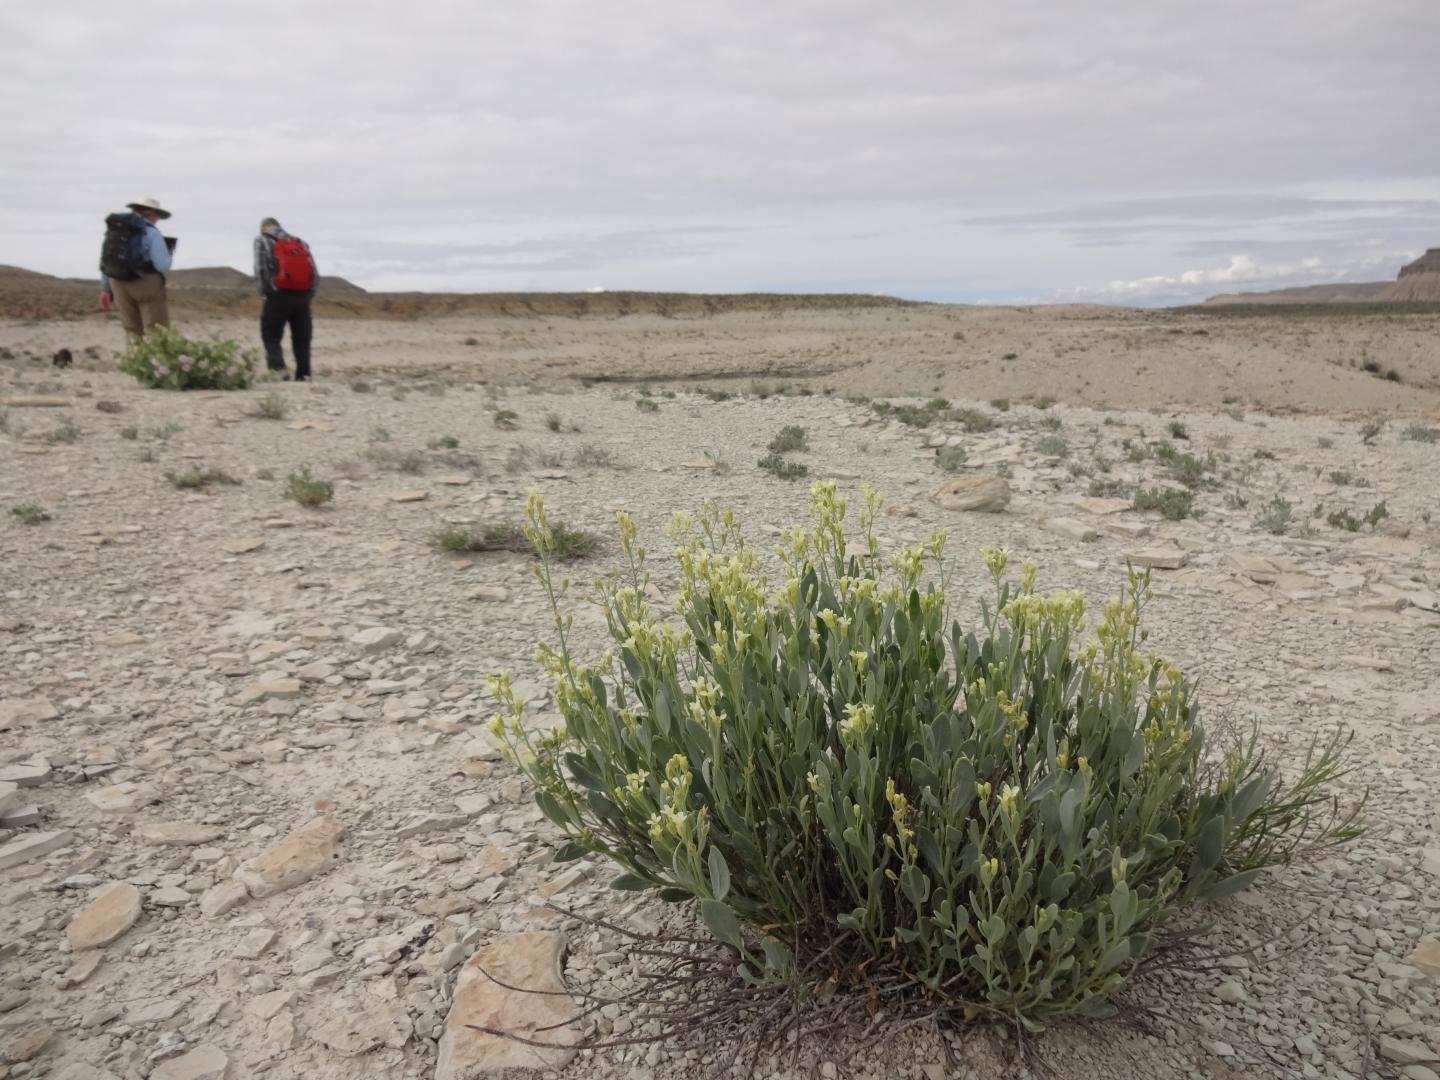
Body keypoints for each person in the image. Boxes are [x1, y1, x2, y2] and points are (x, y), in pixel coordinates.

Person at [98, 197, 174, 341]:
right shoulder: (151, 232)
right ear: (152, 214)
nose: (157, 219)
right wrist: (169, 252)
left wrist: (105, 288)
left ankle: (135, 356)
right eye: (158, 215)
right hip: (145, 283)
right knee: (156, 330)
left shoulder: (115, 230)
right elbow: (162, 265)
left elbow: (107, 260)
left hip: (118, 283)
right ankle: (155, 356)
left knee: (132, 330)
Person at [253, 217, 317, 381]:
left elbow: (261, 270)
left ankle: (279, 370)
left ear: (263, 227)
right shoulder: (300, 242)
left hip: (278, 294)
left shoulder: (262, 240)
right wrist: (308, 295)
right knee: (302, 338)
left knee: (271, 335)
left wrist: (265, 293)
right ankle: (304, 374)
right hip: (302, 296)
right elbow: (314, 273)